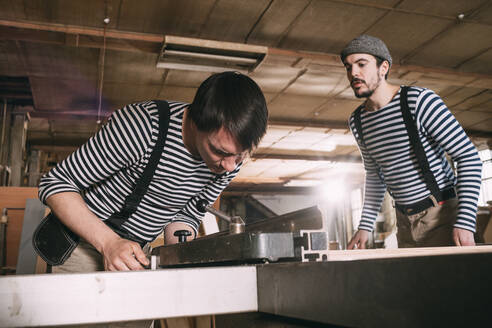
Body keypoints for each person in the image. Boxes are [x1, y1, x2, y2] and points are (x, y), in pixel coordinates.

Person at [38, 71, 268, 273]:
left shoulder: (229, 159)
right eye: (220, 152)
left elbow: (187, 213)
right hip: (86, 244)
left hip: (137, 250)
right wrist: (109, 243)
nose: (229, 167)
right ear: (195, 123)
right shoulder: (142, 127)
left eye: (239, 157)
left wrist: (183, 258)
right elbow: (55, 183)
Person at [341, 35, 483, 249]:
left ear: (383, 67)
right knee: (414, 283)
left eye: (362, 64)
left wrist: (465, 222)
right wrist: (364, 226)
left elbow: (469, 157)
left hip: (443, 216)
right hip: (404, 222)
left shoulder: (419, 101)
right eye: (348, 67)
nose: (353, 73)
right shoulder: (358, 121)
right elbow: (374, 174)